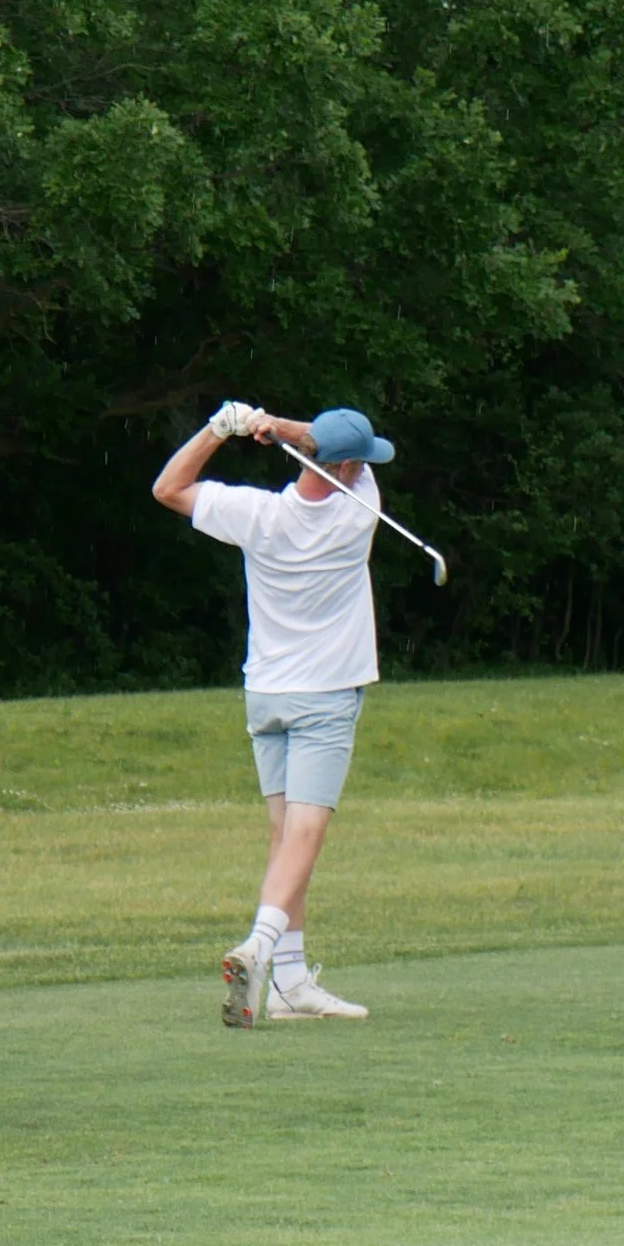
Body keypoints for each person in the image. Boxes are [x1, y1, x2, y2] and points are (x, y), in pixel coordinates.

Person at [153, 400, 395, 1026]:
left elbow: (168, 487)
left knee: (285, 839)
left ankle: (289, 983)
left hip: (265, 695)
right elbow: (326, 451)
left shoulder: (256, 514)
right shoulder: (359, 510)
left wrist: (222, 426)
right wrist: (277, 426)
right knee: (306, 837)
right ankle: (260, 948)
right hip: (325, 695)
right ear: (346, 465)